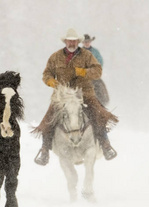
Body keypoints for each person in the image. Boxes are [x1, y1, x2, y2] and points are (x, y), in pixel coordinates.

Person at [33, 28, 118, 166]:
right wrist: (50, 81)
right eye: (69, 41)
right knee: (48, 119)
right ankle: (44, 150)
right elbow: (46, 73)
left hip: (85, 94)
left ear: (78, 42)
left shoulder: (87, 55)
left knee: (99, 115)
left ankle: (105, 145)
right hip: (61, 96)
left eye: (74, 41)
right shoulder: (55, 57)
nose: (71, 43)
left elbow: (98, 71)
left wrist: (84, 72)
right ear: (65, 41)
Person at [82, 33, 110, 106]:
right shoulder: (80, 52)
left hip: (93, 74)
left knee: (99, 86)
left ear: (90, 42)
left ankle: (102, 101)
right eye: (85, 42)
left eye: (88, 42)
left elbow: (100, 61)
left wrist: (94, 69)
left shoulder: (95, 52)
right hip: (82, 74)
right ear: (83, 43)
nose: (86, 43)